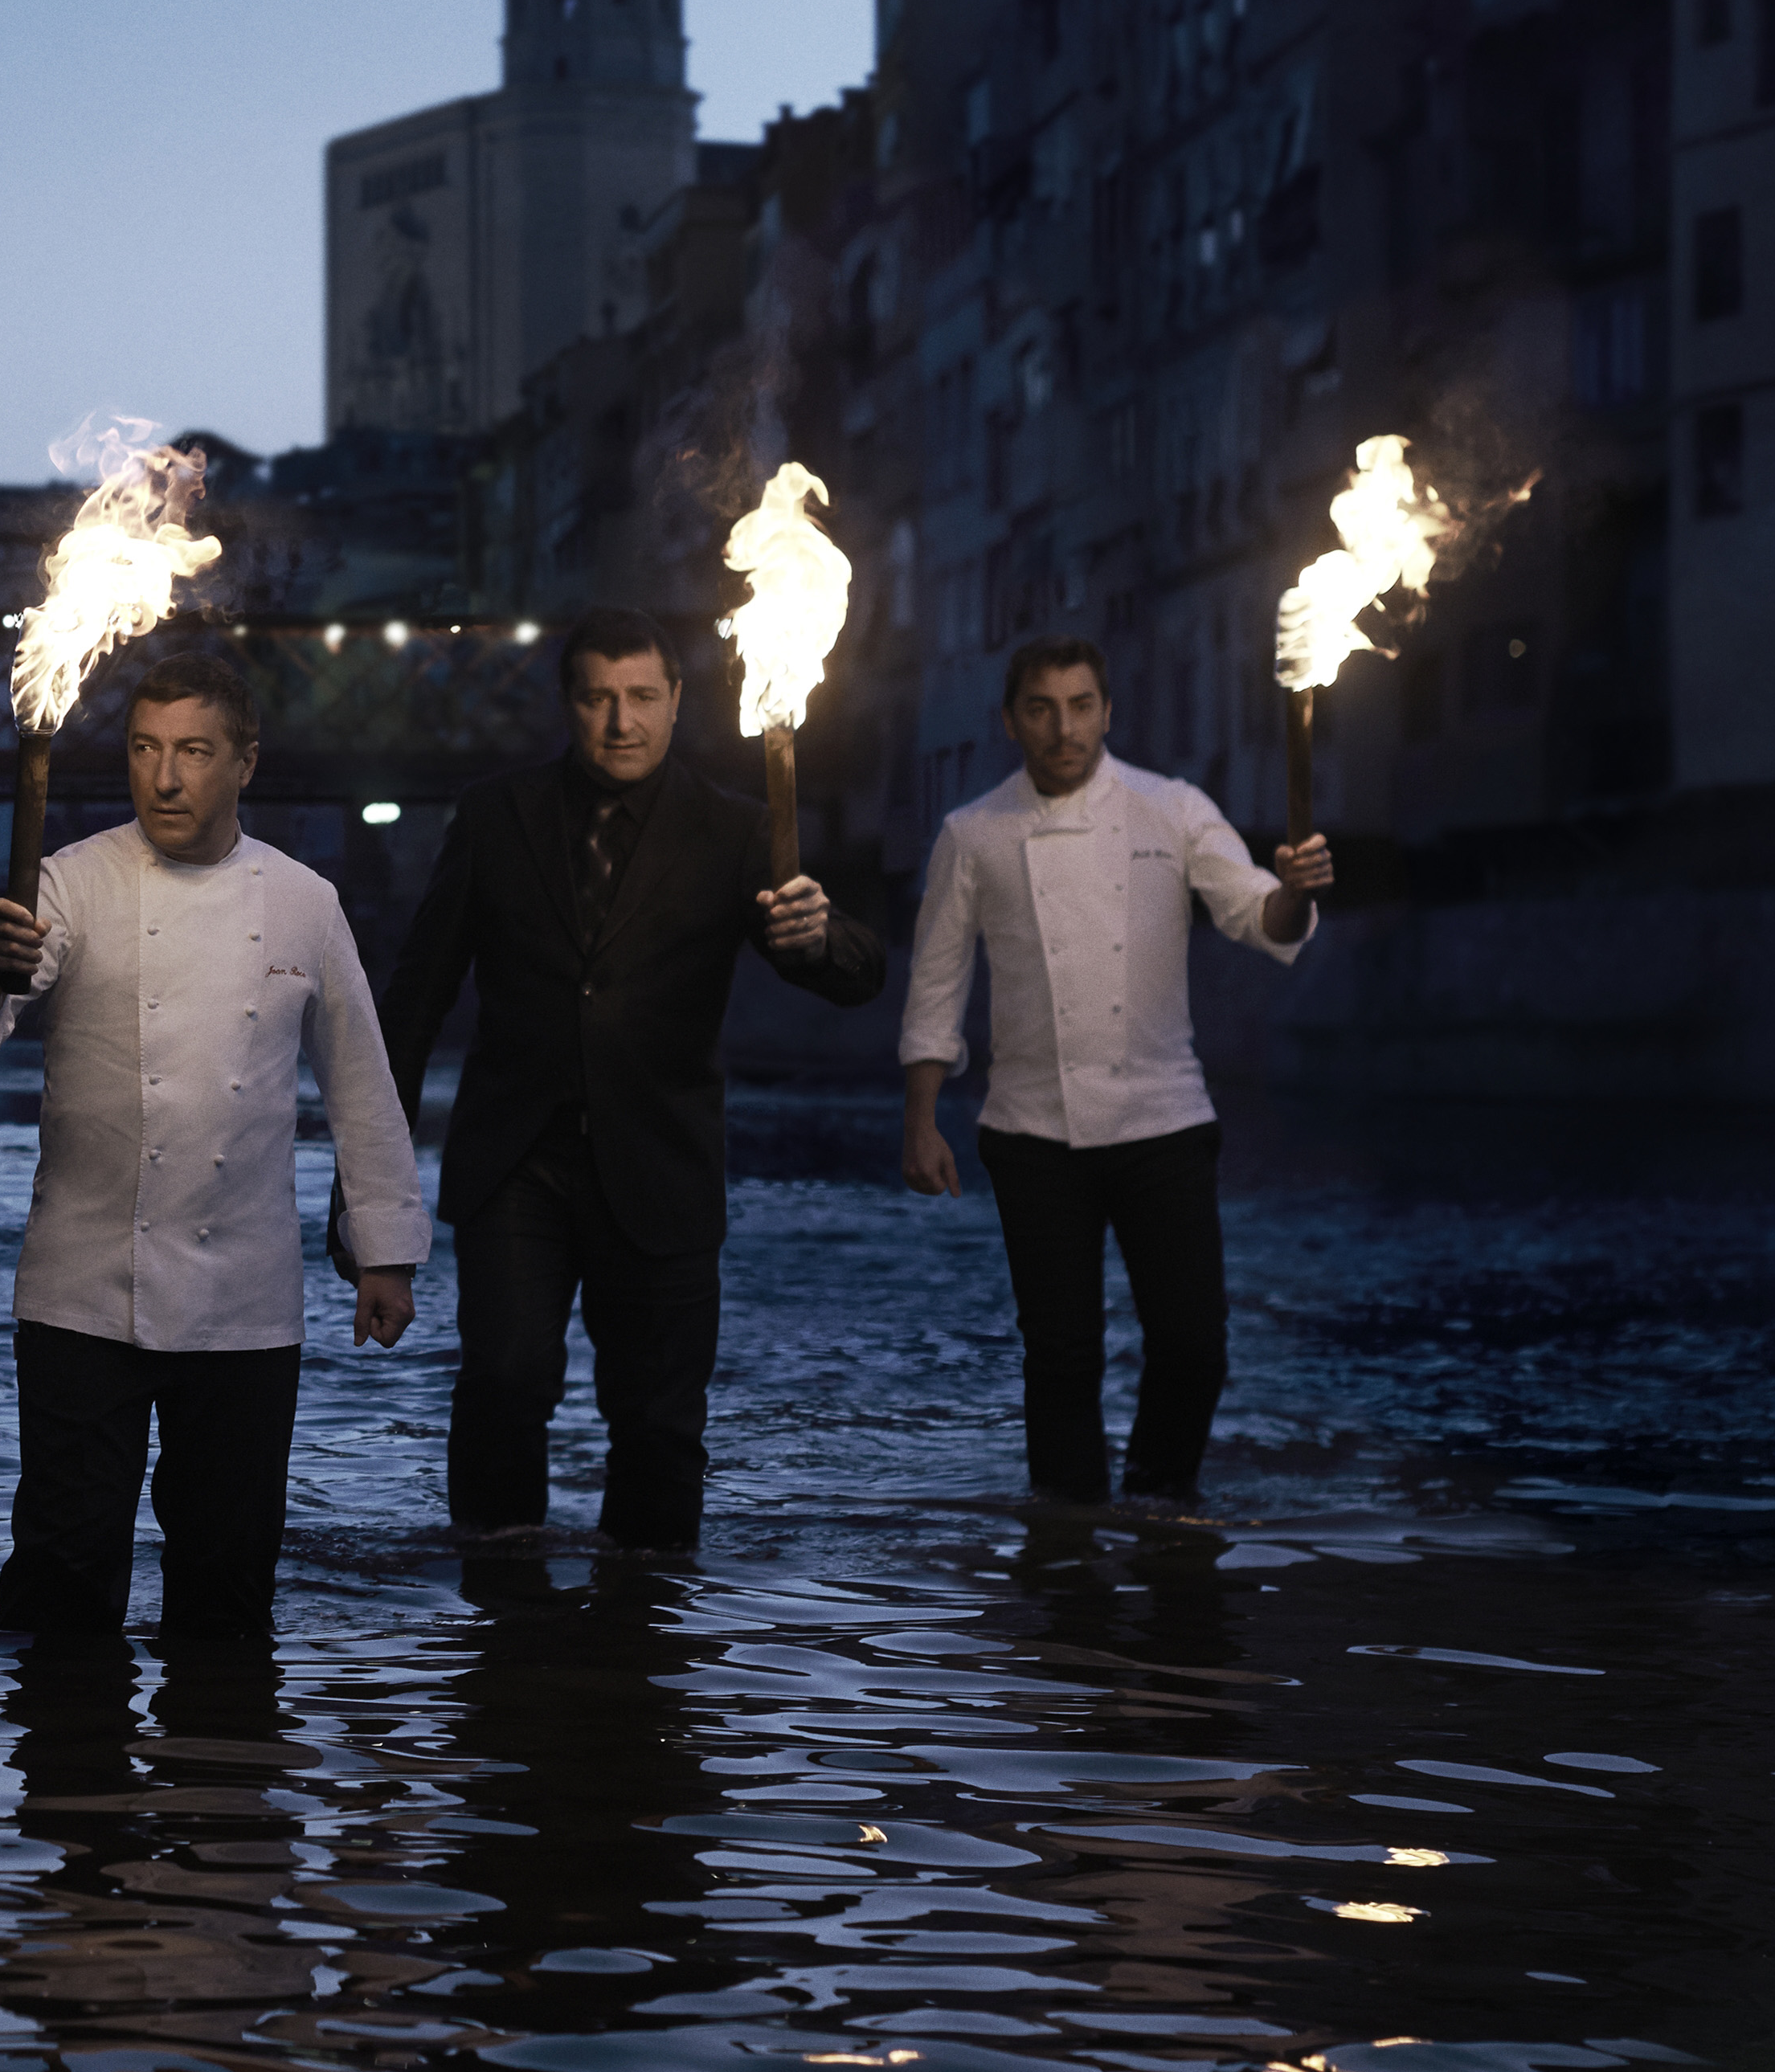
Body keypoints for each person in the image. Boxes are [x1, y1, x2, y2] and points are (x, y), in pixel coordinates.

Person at [0, 645, 423, 1637]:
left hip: (244, 1302)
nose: (164, 775)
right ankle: (66, 1775)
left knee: (229, 1579)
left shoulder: (304, 902)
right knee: (64, 1571)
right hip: (80, 1289)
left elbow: (360, 1080)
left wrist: (387, 1252)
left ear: (246, 762)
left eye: (193, 750)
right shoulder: (71, 883)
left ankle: (218, 1779)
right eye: (145, 747)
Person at [381, 605, 887, 1552]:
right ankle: (501, 1627)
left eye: (643, 698)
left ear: (678, 702)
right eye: (600, 699)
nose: (622, 722)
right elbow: (415, 1001)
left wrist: (819, 941)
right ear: (569, 705)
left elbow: (855, 975)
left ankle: (643, 1647)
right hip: (515, 1161)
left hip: (660, 1165)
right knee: (503, 1384)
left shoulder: (736, 831)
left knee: (659, 1420)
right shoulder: (497, 815)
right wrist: (369, 1187)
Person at [891, 634, 1332, 1514]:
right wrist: (921, 1119)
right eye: (1043, 709)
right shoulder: (972, 833)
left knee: (1194, 1345)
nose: (1065, 728)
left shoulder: (1170, 809)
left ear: (1108, 711)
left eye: (1082, 705)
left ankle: (1160, 1501)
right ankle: (1066, 1530)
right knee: (1060, 1353)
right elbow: (938, 981)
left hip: (1165, 1119)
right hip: (1028, 1130)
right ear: (1011, 720)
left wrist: (1298, 889)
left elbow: (1258, 914)